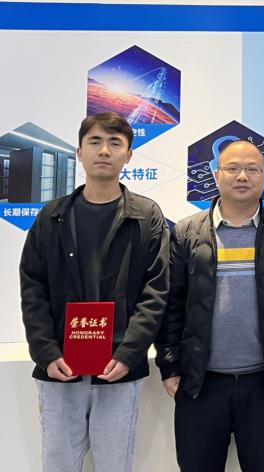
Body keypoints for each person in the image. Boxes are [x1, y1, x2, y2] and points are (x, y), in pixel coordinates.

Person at [20, 111, 169, 472]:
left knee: (115, 464)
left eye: (115, 143)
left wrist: (130, 353)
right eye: (95, 142)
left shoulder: (146, 216)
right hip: (60, 367)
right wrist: (46, 352)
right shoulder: (51, 217)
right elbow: (32, 288)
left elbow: (156, 290)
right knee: (58, 464)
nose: (104, 150)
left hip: (117, 368)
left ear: (128, 155)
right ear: (79, 152)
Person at [155, 140, 264, 472]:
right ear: (216, 175)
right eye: (233, 169)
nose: (242, 176)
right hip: (200, 384)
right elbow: (172, 304)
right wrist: (169, 365)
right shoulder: (187, 232)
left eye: (252, 169)